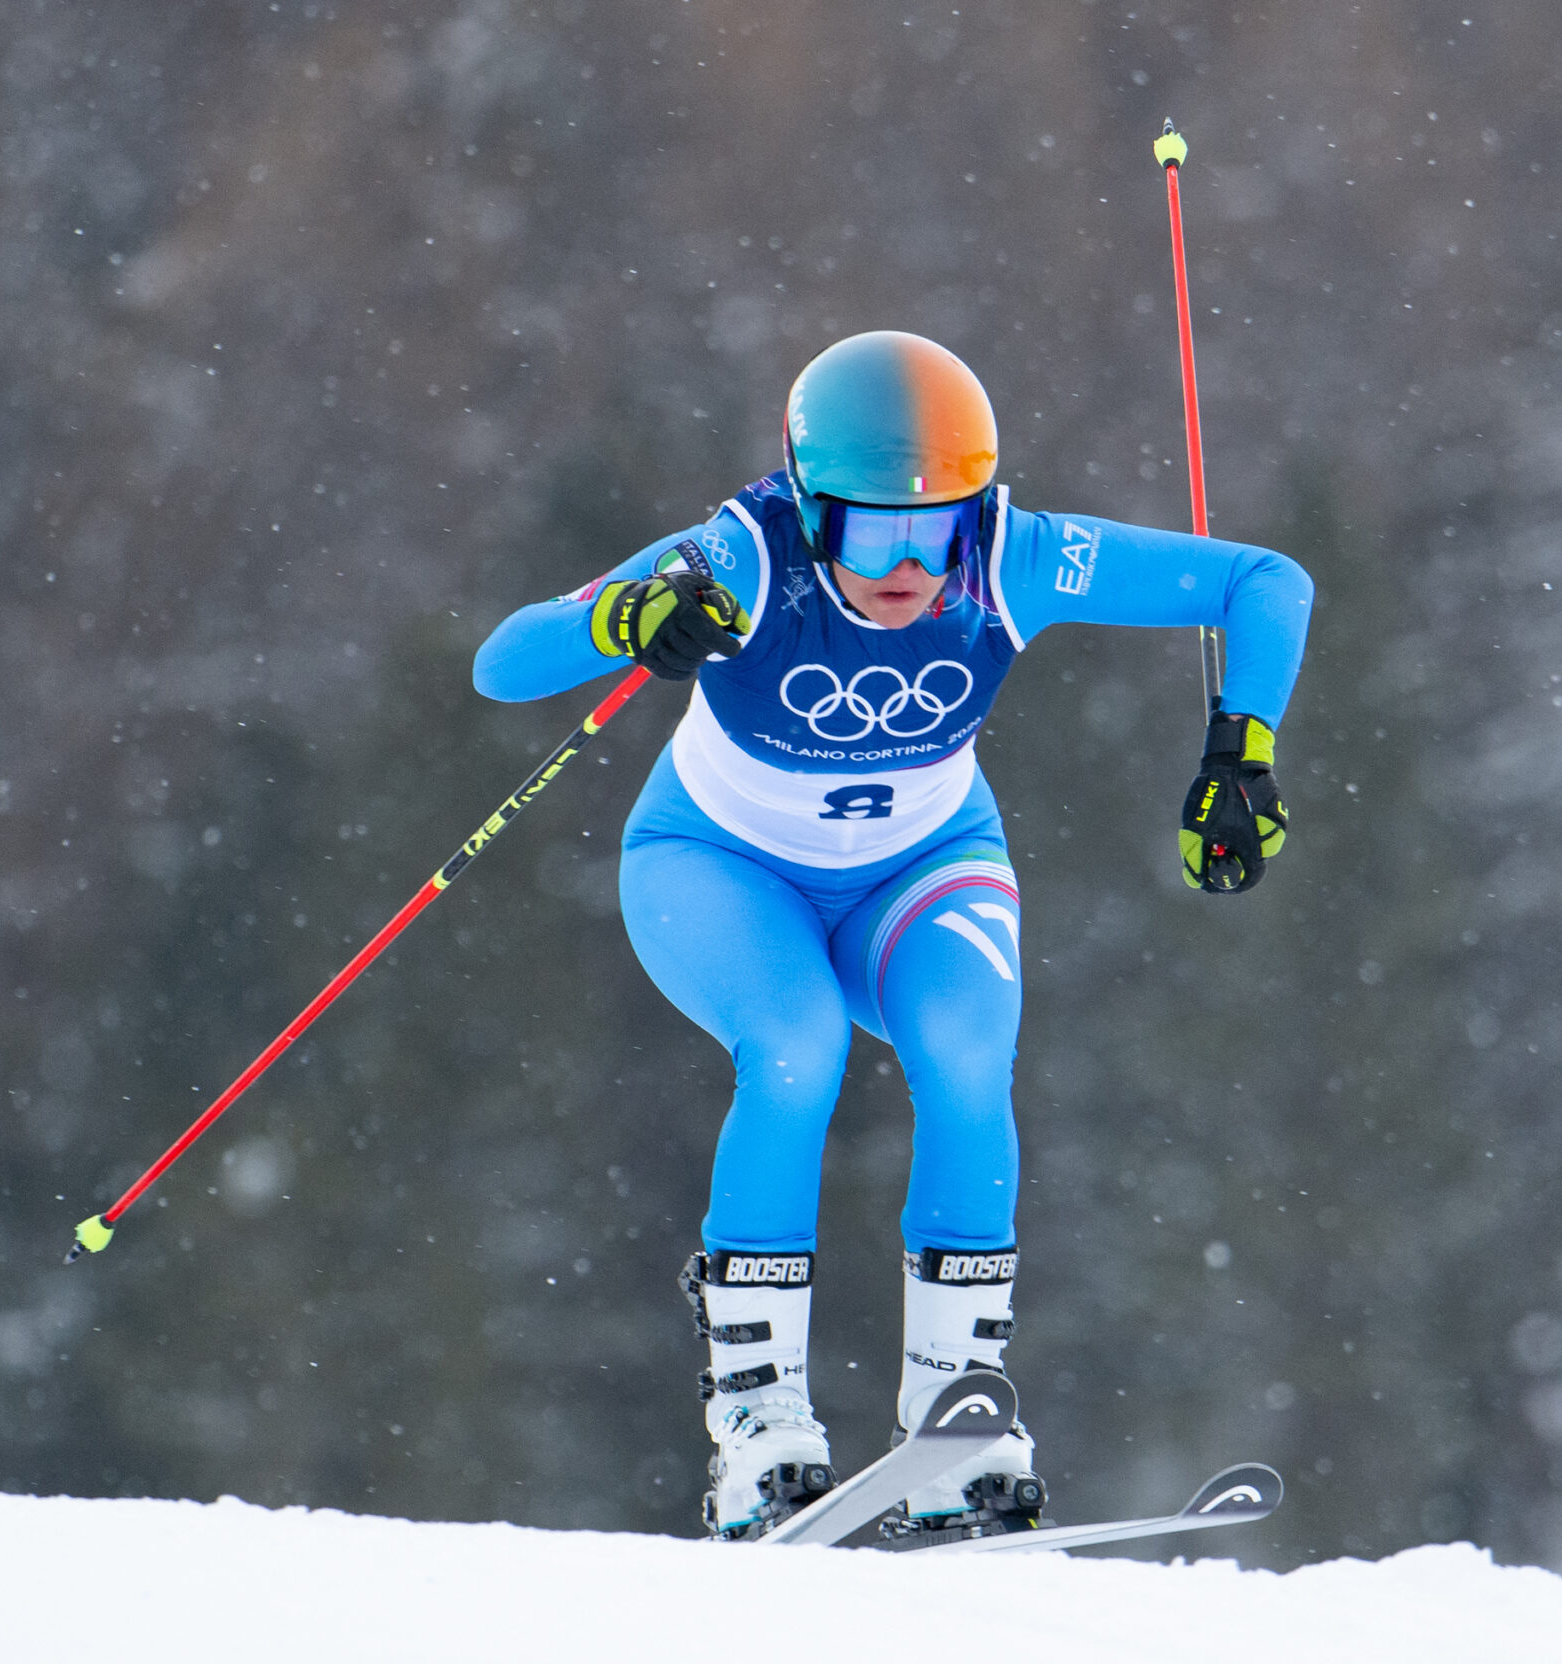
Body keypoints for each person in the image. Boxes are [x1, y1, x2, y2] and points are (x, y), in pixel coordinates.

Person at [472, 330, 1311, 1540]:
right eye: (873, 534)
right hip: (720, 867)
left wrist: (1244, 749)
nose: (910, 567)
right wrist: (628, 617)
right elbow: (505, 663)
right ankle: (758, 1427)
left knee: (971, 1062)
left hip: (922, 863)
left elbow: (1263, 582)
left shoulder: (1015, 560)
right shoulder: (744, 556)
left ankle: (954, 1425)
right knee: (797, 1048)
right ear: (813, 508)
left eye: (939, 532)